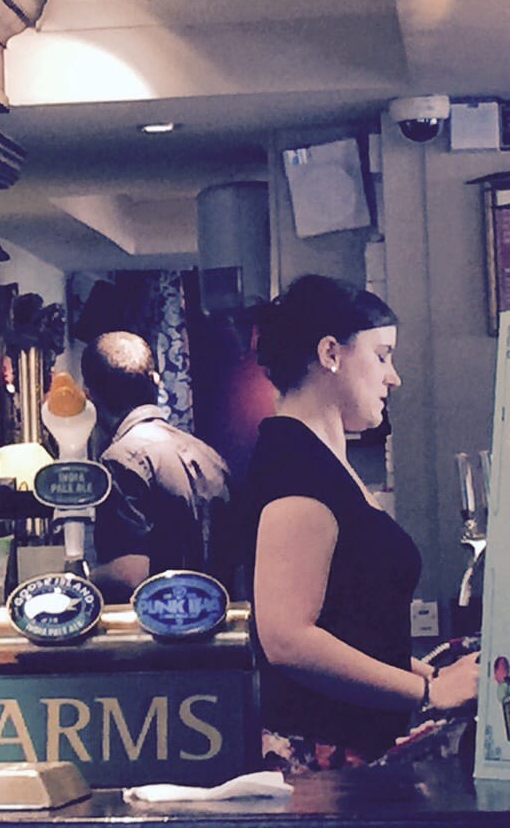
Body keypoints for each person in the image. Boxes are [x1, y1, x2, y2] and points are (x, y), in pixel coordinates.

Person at [244, 274, 478, 772]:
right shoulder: (297, 465)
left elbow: (348, 629)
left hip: (350, 754)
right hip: (325, 767)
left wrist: (432, 676)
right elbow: (287, 638)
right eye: (382, 355)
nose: (394, 377)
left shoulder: (318, 462)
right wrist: (427, 691)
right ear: (331, 353)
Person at [80, 331, 235, 599]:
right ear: (155, 382)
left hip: (160, 619)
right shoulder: (210, 456)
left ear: (90, 396)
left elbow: (131, 573)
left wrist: (78, 577)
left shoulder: (120, 460)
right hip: (218, 619)